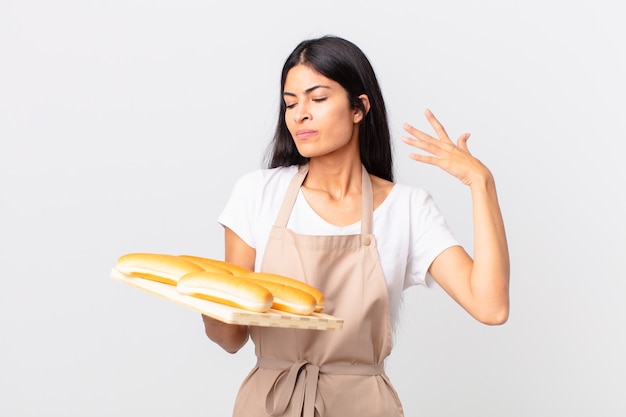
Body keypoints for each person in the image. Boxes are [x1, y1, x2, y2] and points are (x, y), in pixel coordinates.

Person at [202, 35, 510, 417]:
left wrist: (481, 183)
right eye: (290, 103)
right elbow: (231, 338)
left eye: (318, 98)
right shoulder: (257, 194)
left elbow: (491, 306)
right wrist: (208, 303)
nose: (300, 114)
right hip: (269, 404)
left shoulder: (407, 209)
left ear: (359, 108)